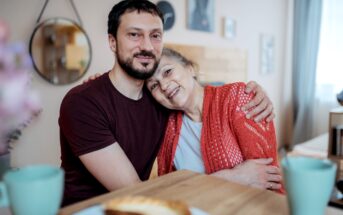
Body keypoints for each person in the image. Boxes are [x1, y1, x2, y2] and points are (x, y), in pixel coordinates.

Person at [59, 0, 276, 206]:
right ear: (112, 42)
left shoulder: (162, 102)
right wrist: (233, 177)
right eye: (134, 34)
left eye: (155, 35)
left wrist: (253, 91)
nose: (147, 46)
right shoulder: (82, 103)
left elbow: (201, 95)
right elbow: (137, 193)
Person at [146, 48, 283, 192]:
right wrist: (233, 177)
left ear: (190, 69)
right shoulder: (165, 126)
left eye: (167, 72)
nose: (164, 86)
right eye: (154, 85)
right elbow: (174, 191)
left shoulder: (237, 98)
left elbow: (270, 182)